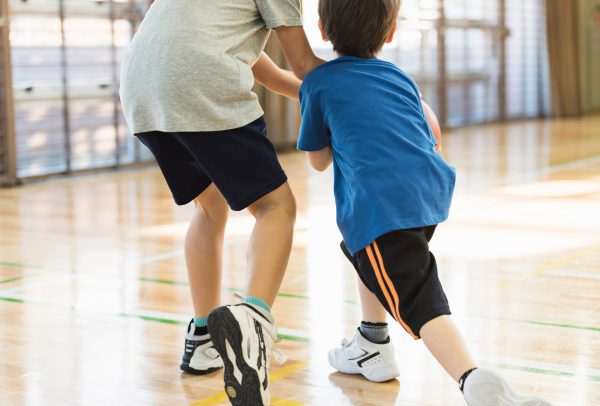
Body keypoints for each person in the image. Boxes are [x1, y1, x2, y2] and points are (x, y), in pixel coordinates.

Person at [297, 1, 552, 405]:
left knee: (420, 300)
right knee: (364, 251)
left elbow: (317, 161)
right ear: (392, 31)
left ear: (322, 30)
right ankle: (371, 340)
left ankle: (473, 381)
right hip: (427, 193)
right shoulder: (399, 77)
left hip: (383, 208)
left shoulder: (318, 83)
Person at [119, 1, 322, 405]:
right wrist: (375, 90)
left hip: (143, 90)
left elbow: (265, 68)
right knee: (276, 207)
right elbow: (304, 63)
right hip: (199, 80)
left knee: (209, 208)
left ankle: (202, 340)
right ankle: (254, 321)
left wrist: (311, 94)